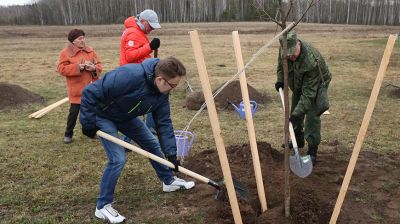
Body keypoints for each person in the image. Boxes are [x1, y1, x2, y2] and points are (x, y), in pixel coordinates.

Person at [79, 57, 195, 223]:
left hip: (126, 116)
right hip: (102, 115)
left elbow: (163, 122)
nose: (173, 90)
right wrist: (88, 123)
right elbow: (90, 92)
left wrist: (171, 154)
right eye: (173, 85)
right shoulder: (129, 75)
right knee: (117, 158)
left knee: (152, 144)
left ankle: (168, 181)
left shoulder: (162, 93)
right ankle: (102, 206)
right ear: (160, 79)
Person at [275, 30, 331, 165]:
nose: (291, 58)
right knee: (295, 109)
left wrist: (296, 114)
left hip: (316, 85)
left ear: (298, 44)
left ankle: (312, 149)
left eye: (293, 55)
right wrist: (280, 80)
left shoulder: (311, 61)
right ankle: (298, 140)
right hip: (299, 83)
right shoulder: (284, 49)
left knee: (311, 115)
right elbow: (281, 67)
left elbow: (309, 94)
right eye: (288, 56)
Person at [57, 29, 103, 144]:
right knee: (73, 113)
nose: (83, 40)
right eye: (80, 38)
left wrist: (94, 68)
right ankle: (68, 134)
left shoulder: (91, 51)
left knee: (92, 113)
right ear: (73, 41)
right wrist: (79, 67)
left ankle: (91, 132)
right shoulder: (65, 53)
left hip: (91, 88)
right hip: (76, 90)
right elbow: (61, 69)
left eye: (83, 37)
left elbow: (99, 65)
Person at [120, 9, 161, 134]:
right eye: (150, 26)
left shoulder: (137, 31)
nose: (152, 29)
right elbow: (130, 56)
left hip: (139, 72)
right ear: (143, 21)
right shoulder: (133, 33)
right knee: (138, 105)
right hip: (133, 75)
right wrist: (150, 47)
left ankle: (148, 130)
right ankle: (145, 132)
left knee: (148, 101)